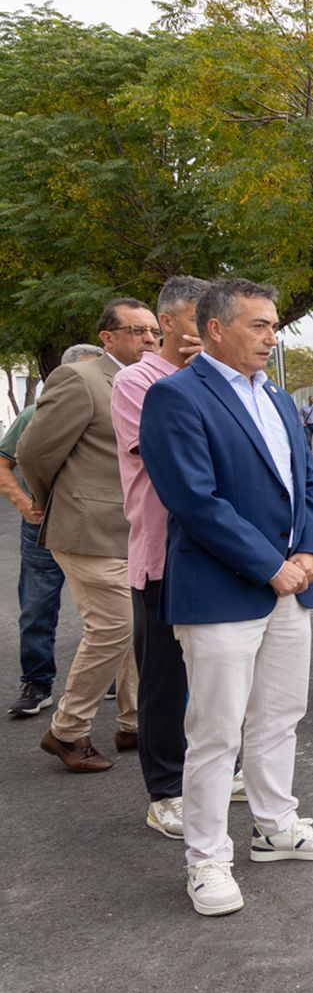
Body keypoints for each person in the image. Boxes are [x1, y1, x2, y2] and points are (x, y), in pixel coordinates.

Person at [140, 277, 313, 917]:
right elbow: (194, 501)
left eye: (274, 324)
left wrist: (311, 551)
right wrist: (270, 566)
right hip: (220, 591)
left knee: (280, 714)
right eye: (258, 325)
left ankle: (274, 826)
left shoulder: (281, 400)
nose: (271, 336)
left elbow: (308, 482)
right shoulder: (175, 397)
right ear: (215, 329)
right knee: (214, 732)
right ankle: (206, 859)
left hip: (292, 585)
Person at [20, 299, 159, 771]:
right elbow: (34, 451)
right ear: (107, 337)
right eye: (137, 330)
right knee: (116, 624)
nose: (148, 339)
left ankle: (135, 721)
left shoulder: (151, 381)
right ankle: (67, 730)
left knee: (140, 623)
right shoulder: (80, 379)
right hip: (85, 528)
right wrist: (48, 501)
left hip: (135, 528)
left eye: (153, 331)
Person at [110, 275, 209, 837]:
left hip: (215, 550)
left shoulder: (216, 377)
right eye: (199, 319)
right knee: (164, 679)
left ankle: (220, 767)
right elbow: (174, 451)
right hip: (162, 552)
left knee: (219, 673)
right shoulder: (136, 381)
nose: (208, 331)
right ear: (167, 324)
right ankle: (165, 790)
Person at [2, 344, 101, 718]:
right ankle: (37, 682)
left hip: (96, 526)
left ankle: (108, 681)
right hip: (44, 528)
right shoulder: (34, 415)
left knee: (107, 612)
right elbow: (6, 463)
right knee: (38, 607)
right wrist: (25, 505)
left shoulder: (113, 405)